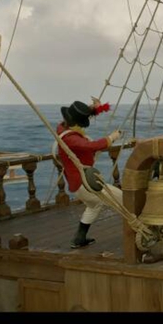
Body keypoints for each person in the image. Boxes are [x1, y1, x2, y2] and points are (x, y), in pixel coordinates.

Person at [56, 98, 122, 249]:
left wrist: (93, 109)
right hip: (84, 183)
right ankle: (140, 227)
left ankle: (79, 238)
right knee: (123, 199)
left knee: (94, 205)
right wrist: (111, 138)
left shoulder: (63, 128)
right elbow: (91, 146)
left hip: (77, 184)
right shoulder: (70, 138)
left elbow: (80, 116)